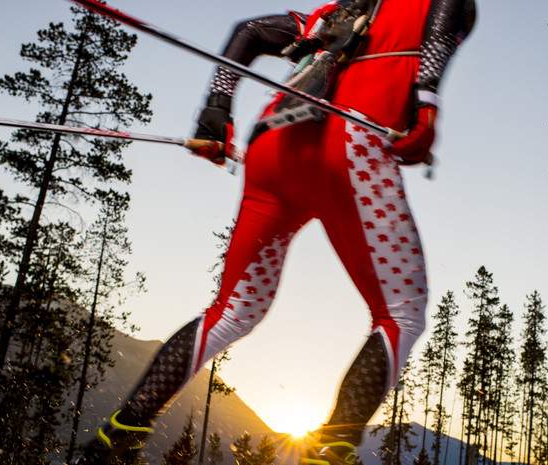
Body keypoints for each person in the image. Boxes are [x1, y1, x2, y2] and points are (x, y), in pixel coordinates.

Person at [73, 0, 475, 463]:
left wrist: (216, 112)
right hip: (349, 145)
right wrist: (426, 105)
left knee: (231, 312)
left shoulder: (333, 13)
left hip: (271, 151)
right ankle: (327, 452)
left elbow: (249, 31)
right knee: (402, 312)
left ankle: (117, 438)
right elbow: (446, 20)